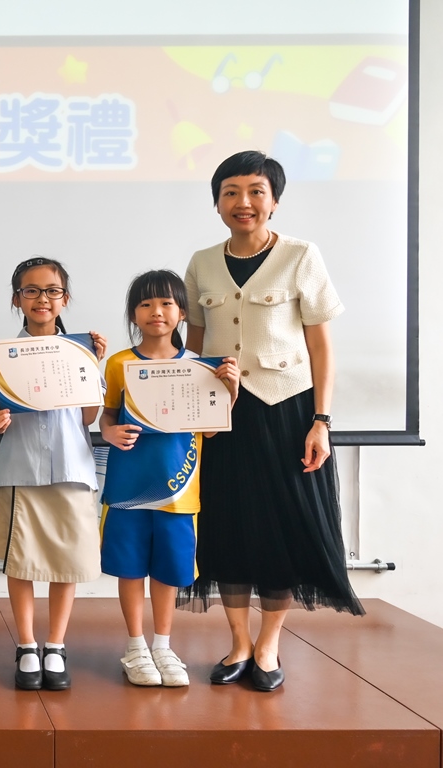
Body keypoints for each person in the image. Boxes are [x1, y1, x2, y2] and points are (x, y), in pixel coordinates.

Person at [182, 150, 364, 693]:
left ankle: (268, 646)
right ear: (217, 203)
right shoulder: (201, 263)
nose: (243, 202)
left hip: (287, 411)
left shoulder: (301, 256)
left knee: (282, 531)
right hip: (222, 416)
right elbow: (193, 345)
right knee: (227, 527)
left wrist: (321, 421)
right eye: (231, 192)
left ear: (274, 201)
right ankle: (238, 643)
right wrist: (189, 413)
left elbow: (321, 347)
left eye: (256, 191)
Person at [100, 270, 239, 687]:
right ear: (133, 314)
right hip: (127, 488)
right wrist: (108, 433)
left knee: (167, 570)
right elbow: (107, 415)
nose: (156, 312)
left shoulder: (199, 366)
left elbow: (210, 430)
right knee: (129, 569)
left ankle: (162, 646)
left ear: (182, 313)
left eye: (166, 303)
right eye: (145, 304)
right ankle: (135, 647)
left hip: (179, 490)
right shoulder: (119, 363)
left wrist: (230, 394)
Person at [0, 257, 107, 691]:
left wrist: (92, 366)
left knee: (65, 562)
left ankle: (55, 644)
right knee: (22, 561)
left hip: (72, 467)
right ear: (17, 299)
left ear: (64, 299)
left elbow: (88, 417)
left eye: (52, 291)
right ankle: (26, 645)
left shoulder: (81, 351)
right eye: (31, 291)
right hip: (22, 468)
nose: (42, 299)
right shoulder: (4, 355)